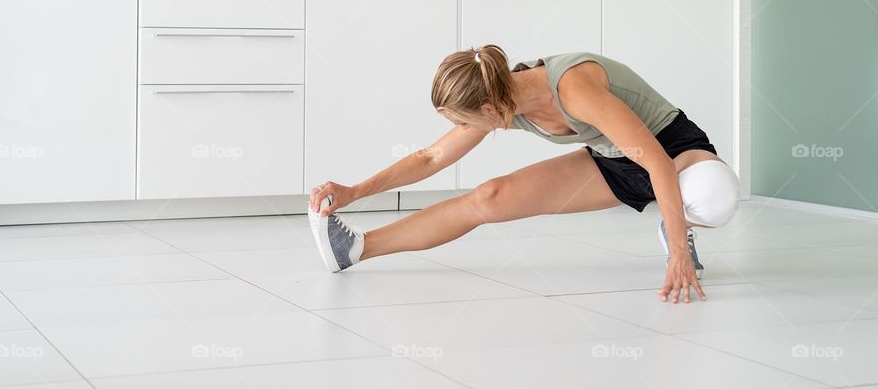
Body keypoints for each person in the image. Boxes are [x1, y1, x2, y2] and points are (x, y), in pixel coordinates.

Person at [307, 46, 740, 304]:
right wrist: (355, 191)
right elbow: (429, 158)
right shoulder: (500, 95)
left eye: (464, 122)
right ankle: (358, 249)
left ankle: (676, 224)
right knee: (490, 196)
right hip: (612, 160)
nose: (464, 129)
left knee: (717, 196)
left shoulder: (574, 88)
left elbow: (657, 163)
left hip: (672, 150)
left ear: (488, 110)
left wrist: (679, 251)